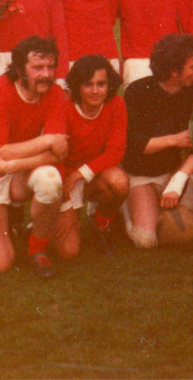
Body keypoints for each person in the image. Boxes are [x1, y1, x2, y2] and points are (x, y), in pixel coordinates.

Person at [0, 36, 67, 277]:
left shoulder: (55, 92)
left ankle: (37, 249)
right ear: (19, 69)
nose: (46, 74)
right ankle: (2, 224)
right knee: (1, 264)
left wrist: (12, 165)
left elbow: (60, 151)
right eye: (37, 68)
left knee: (50, 179)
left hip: (12, 170)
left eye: (50, 67)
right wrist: (46, 140)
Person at [121, 34, 193, 249]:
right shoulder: (137, 92)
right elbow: (133, 146)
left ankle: (182, 211)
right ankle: (126, 211)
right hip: (143, 175)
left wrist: (178, 180)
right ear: (174, 71)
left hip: (173, 171)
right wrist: (174, 140)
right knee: (146, 240)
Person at [51, 55, 128, 258]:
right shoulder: (64, 109)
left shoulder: (116, 104)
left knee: (119, 181)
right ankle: (43, 222)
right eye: (88, 85)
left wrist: (79, 174)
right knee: (69, 252)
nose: (95, 91)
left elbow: (115, 151)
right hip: (64, 178)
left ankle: (102, 225)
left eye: (101, 84)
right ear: (77, 86)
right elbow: (54, 159)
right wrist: (67, 201)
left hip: (89, 175)